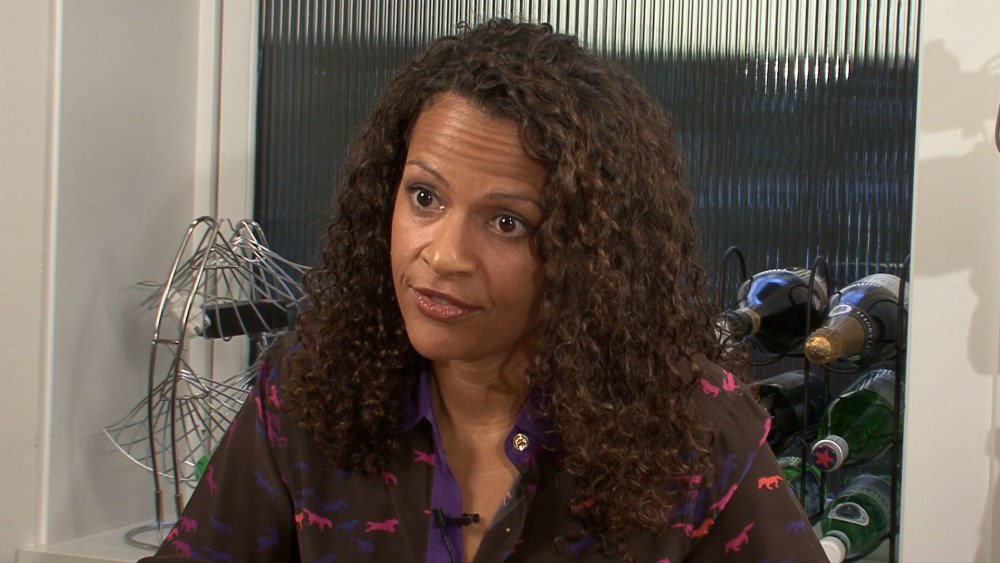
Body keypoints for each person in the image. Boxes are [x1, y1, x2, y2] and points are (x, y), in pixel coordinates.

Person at [141, 19, 827, 563]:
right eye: (425, 197)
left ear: (589, 250)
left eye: (506, 223)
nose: (442, 255)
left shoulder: (695, 429)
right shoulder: (307, 387)